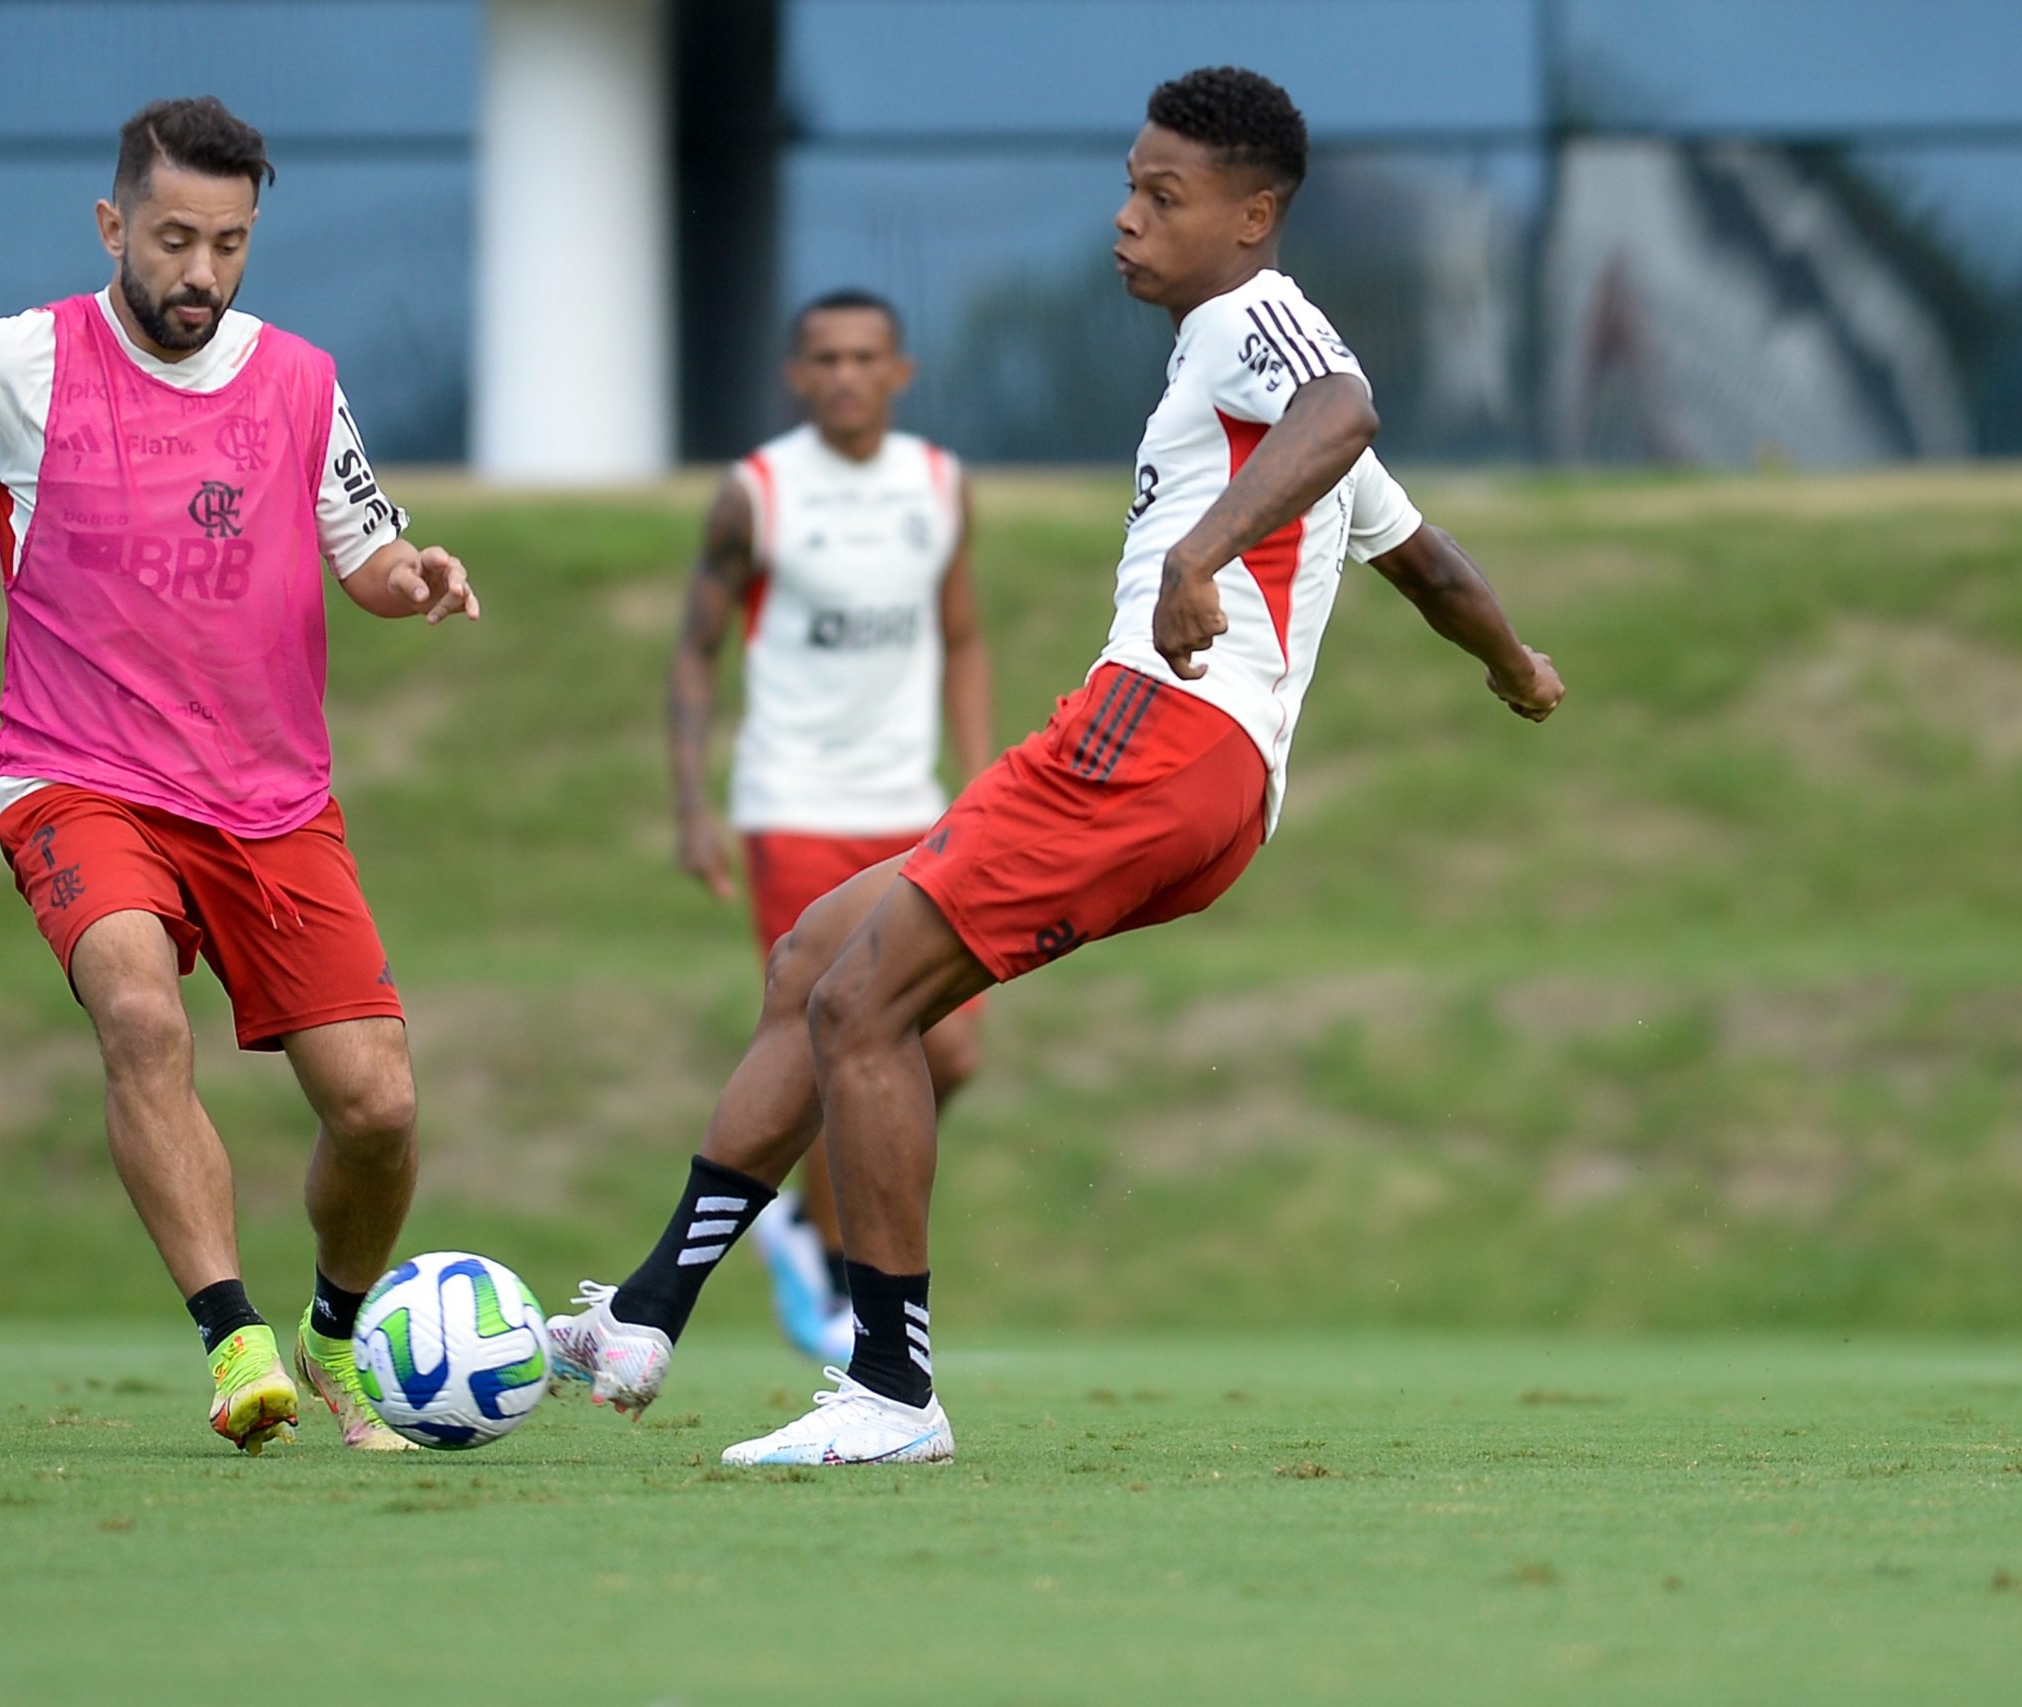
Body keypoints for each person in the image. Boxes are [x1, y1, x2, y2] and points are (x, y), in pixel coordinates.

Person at [548, 66, 1565, 1466]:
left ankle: (892, 1391)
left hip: (1155, 737)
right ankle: (649, 1311)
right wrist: (1513, 661)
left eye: (1166, 195)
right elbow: (1422, 555)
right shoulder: (1239, 381)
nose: (1127, 220)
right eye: (1129, 187)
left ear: (1256, 216)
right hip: (1201, 777)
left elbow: (1349, 412)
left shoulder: (1259, 324)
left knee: (861, 1006)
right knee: (814, 957)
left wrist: (1199, 558)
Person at [0, 97, 478, 1455]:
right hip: (80, 776)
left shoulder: (302, 377)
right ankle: (232, 1334)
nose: (202, 272)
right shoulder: (14, 362)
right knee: (137, 1007)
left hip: (272, 797)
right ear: (114, 224)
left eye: (230, 244)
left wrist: (412, 578)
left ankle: (333, 1340)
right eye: (175, 238)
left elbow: (364, 554)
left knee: (379, 1105)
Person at [668, 290, 993, 1364]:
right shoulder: (757, 492)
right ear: (796, 375)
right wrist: (691, 803)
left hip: (910, 806)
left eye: (865, 357)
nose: (846, 375)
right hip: (794, 805)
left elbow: (962, 635)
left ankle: (810, 1223)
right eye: (825, 359)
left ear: (899, 371)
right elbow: (697, 647)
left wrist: (986, 780)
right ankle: (844, 1272)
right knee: (836, 1032)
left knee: (953, 1049)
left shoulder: (938, 485)